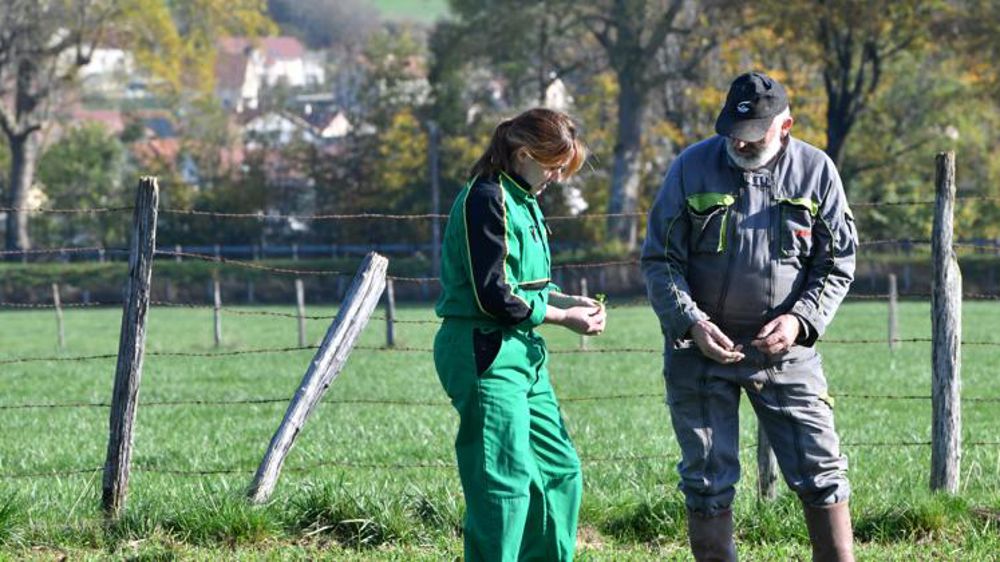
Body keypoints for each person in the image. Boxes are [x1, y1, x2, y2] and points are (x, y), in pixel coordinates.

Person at [641, 71, 857, 561]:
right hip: (700, 351)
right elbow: (660, 260)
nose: (739, 143)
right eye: (732, 132)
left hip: (786, 352)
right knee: (706, 479)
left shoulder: (816, 172)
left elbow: (835, 262)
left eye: (754, 134)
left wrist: (800, 320)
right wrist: (691, 322)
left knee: (821, 470)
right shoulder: (690, 168)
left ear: (786, 127)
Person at [434, 108, 606, 562]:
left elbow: (526, 284)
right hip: (485, 350)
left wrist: (567, 300)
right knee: (502, 487)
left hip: (525, 354)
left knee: (559, 471)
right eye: (553, 165)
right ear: (524, 153)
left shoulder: (525, 199)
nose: (557, 177)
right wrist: (563, 318)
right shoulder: (486, 198)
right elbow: (494, 295)